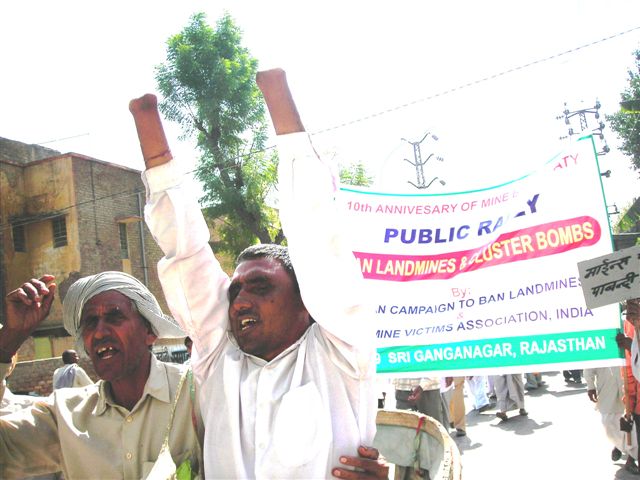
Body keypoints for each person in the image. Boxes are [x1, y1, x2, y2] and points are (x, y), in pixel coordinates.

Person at [132, 69, 386, 479]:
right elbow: (186, 254)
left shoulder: (339, 352)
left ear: (307, 302)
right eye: (235, 292)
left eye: (261, 286)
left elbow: (317, 232)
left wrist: (278, 96)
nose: (241, 301)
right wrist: (148, 128)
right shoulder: (219, 360)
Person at [0, 273, 203, 479]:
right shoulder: (66, 415)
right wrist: (10, 338)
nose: (99, 333)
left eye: (114, 317)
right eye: (90, 322)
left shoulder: (196, 394)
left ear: (149, 333)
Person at [584, 365, 638, 472]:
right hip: (607, 391)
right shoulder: (601, 349)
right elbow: (588, 366)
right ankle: (619, 445)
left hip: (631, 388)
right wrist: (591, 387)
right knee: (609, 423)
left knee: (634, 426)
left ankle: (631, 459)